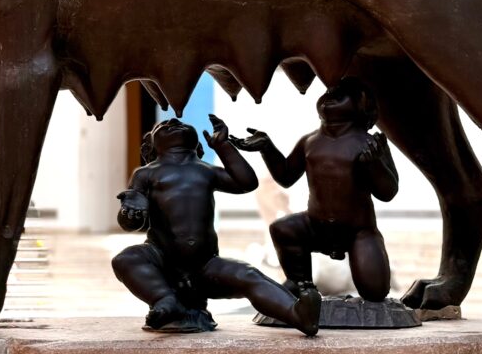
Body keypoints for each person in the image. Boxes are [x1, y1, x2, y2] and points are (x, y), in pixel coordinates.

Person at [113, 115, 321, 336]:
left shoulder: (206, 171)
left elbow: (246, 182)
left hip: (206, 265)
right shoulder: (146, 173)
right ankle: (164, 299)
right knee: (125, 259)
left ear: (198, 145)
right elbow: (130, 222)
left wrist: (224, 146)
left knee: (249, 275)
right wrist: (132, 211)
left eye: (182, 123)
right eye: (162, 126)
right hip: (162, 260)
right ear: (152, 147)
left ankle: (298, 314)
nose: (172, 122)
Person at [231, 77, 398, 302]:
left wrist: (374, 165)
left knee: (374, 291)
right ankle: (300, 284)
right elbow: (286, 176)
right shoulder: (310, 141)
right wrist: (267, 148)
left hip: (359, 230)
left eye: (340, 95)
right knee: (283, 228)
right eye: (328, 93)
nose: (330, 97)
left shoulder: (370, 143)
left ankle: (367, 284)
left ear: (361, 104)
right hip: (316, 225)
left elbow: (388, 192)